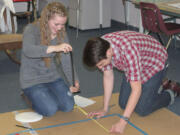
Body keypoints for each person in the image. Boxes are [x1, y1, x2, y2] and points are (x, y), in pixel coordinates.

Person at [83, 30, 180, 134]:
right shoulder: (101, 46)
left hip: (154, 63)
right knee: (123, 104)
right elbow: (108, 76)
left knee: (142, 109)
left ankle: (171, 90)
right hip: (135, 65)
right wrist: (105, 108)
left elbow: (136, 90)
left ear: (109, 52)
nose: (99, 67)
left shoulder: (128, 51)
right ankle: (158, 84)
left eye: (101, 64)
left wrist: (122, 122)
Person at [20, 2, 80, 117]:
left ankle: (46, 95)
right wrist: (54, 48)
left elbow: (67, 61)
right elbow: (28, 50)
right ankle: (27, 96)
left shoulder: (61, 33)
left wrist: (74, 81)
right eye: (56, 24)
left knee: (68, 106)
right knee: (50, 110)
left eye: (63, 24)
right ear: (46, 19)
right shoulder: (31, 29)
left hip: (52, 78)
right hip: (32, 81)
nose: (59, 28)